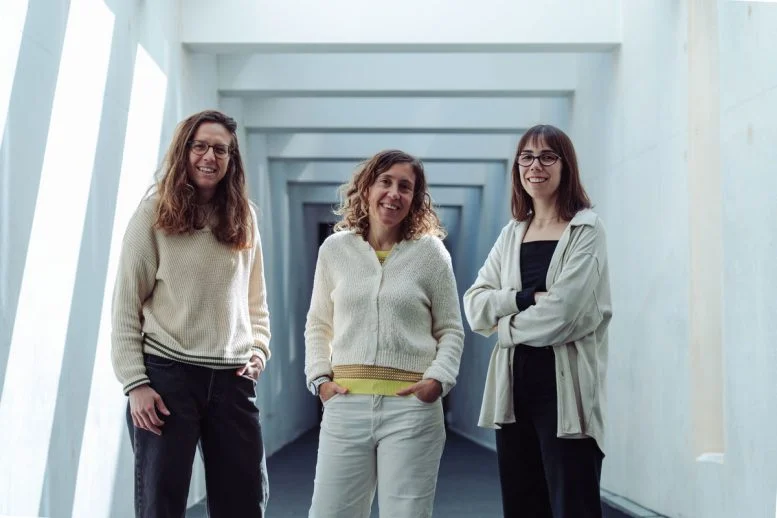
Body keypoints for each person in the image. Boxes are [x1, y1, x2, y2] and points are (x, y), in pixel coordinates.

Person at [111, 109, 271, 517]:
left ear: (231, 160)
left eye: (221, 150)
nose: (209, 157)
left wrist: (259, 350)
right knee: (161, 506)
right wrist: (135, 384)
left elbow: (255, 301)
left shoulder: (244, 217)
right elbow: (126, 306)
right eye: (200, 146)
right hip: (167, 379)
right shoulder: (152, 216)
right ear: (183, 151)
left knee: (244, 502)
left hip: (233, 381)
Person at [304, 149, 465, 518]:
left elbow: (451, 329)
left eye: (405, 187)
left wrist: (438, 381)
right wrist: (320, 379)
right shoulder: (335, 249)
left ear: (415, 199)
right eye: (386, 182)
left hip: (411, 410)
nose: (394, 193)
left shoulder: (431, 254)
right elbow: (318, 323)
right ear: (366, 189)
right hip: (345, 407)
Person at [463, 124, 612, 518]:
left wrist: (505, 328)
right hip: (513, 384)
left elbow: (562, 315)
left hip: (565, 388)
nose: (535, 166)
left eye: (548, 156)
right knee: (523, 503)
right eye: (527, 157)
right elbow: (475, 305)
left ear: (566, 167)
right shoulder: (512, 234)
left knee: (572, 504)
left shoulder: (585, 230)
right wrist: (523, 298)